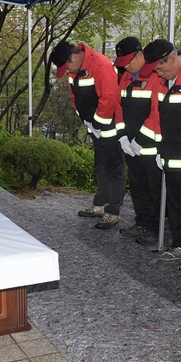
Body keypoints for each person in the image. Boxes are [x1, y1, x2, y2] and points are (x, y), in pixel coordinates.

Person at [139, 39, 181, 271]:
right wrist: (159, 149)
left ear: (171, 58)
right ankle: (179, 244)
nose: (158, 73)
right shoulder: (164, 81)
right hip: (169, 155)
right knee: (175, 203)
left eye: (160, 67)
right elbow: (157, 118)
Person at [49, 40, 125, 229]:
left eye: (66, 67)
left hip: (109, 125)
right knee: (100, 164)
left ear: (73, 57)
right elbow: (75, 97)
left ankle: (113, 211)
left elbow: (109, 96)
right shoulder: (73, 70)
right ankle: (100, 204)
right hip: (94, 125)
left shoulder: (100, 65)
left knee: (114, 167)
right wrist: (86, 120)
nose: (66, 72)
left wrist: (98, 121)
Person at [112, 37, 163, 242]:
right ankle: (142, 222)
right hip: (131, 146)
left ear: (140, 55)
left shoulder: (155, 77)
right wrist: (122, 135)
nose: (126, 66)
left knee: (155, 190)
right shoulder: (126, 78)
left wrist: (140, 139)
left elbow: (157, 112)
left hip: (149, 146)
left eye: (129, 61)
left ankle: (156, 229)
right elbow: (118, 108)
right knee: (137, 186)